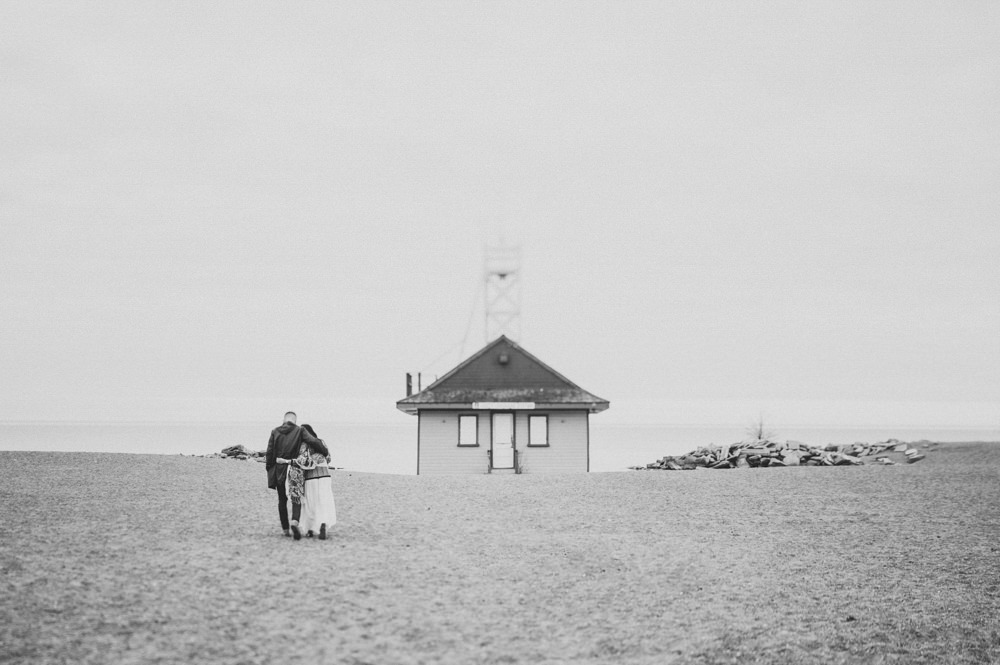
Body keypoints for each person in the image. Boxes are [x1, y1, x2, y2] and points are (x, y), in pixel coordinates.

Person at [265, 411, 328, 538]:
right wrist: (324, 451)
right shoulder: (299, 430)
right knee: (296, 498)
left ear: (284, 420)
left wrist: (270, 472)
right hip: (294, 470)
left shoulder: (274, 431)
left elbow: (270, 453)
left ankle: (285, 530)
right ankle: (294, 521)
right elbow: (312, 441)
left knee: (282, 500)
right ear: (294, 420)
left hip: (279, 471)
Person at [298, 424, 337, 540]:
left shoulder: (303, 445)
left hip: (310, 478)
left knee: (311, 504)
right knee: (324, 501)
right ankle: (324, 523)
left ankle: (310, 529)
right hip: (325, 476)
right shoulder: (321, 442)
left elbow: (301, 461)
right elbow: (329, 458)